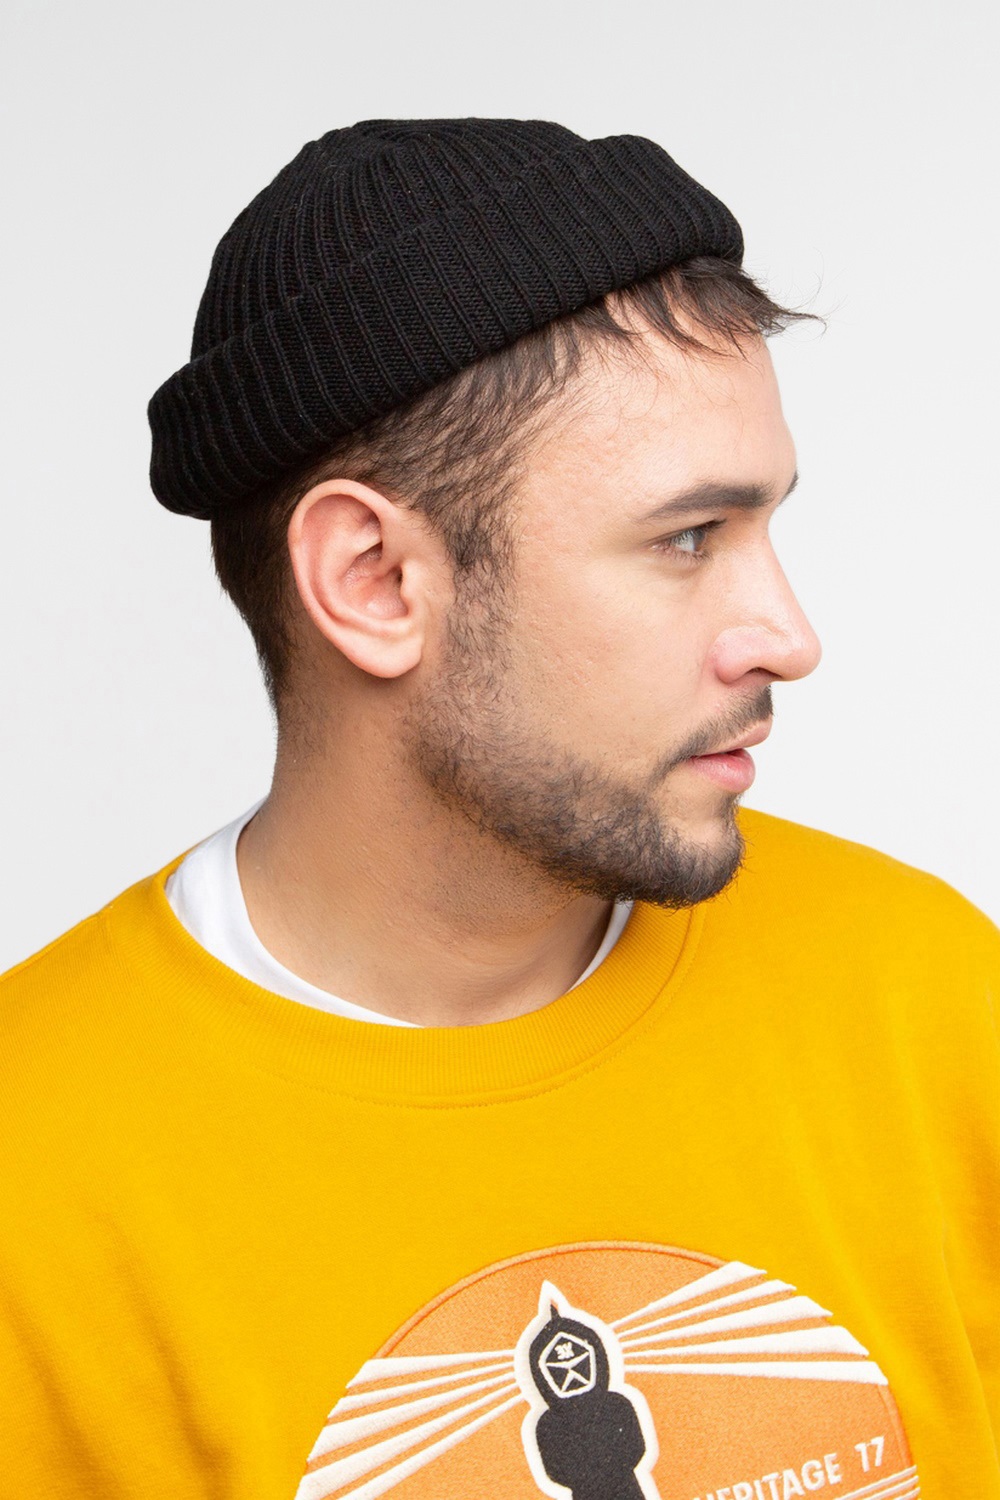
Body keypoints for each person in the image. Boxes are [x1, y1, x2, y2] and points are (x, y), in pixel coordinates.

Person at [1, 118, 996, 1500]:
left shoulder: (928, 996)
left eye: (765, 528)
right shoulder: (35, 1173)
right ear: (374, 581)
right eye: (688, 538)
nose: (789, 636)